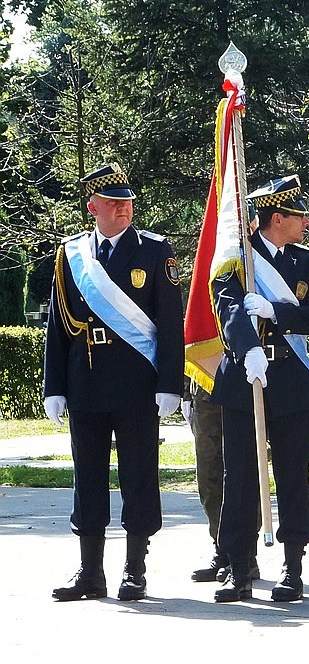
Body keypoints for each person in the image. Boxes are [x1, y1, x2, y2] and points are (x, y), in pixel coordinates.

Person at [44, 163, 184, 601]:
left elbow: (169, 324)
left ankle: (135, 569)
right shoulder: (72, 255)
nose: (123, 209)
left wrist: (170, 383)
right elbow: (57, 324)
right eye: (113, 202)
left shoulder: (155, 252)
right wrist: (54, 385)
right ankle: (90, 571)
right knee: (87, 476)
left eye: (127, 202)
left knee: (139, 475)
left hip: (137, 383)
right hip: (85, 380)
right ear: (93, 207)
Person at [210, 175, 309, 602]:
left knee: (292, 476)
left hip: (290, 380)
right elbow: (225, 305)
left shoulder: (304, 260)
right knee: (240, 477)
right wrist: (247, 349)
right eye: (298, 215)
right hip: (246, 379)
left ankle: (292, 568)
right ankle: (238, 568)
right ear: (277, 218)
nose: (306, 223)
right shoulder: (238, 259)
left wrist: (276, 311)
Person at [182, 380, 259, 583]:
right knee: (208, 475)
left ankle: (246, 554)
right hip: (203, 390)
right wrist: (186, 393)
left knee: (242, 471)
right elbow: (188, 350)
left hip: (241, 385)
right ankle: (221, 549)